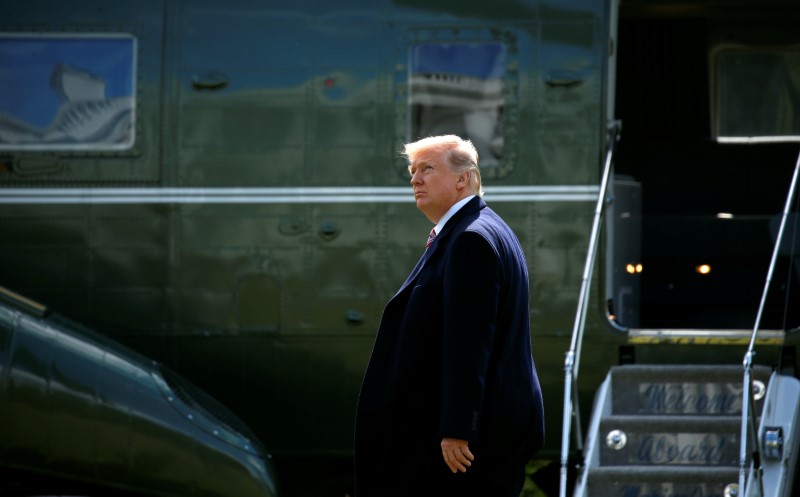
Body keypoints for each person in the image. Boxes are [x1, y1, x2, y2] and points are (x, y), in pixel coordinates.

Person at [354, 135, 544, 496]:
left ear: (463, 179)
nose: (415, 179)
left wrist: (458, 427)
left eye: (427, 169)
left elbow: (470, 342)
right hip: (484, 428)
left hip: (469, 443)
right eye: (412, 171)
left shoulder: (471, 239)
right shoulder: (484, 228)